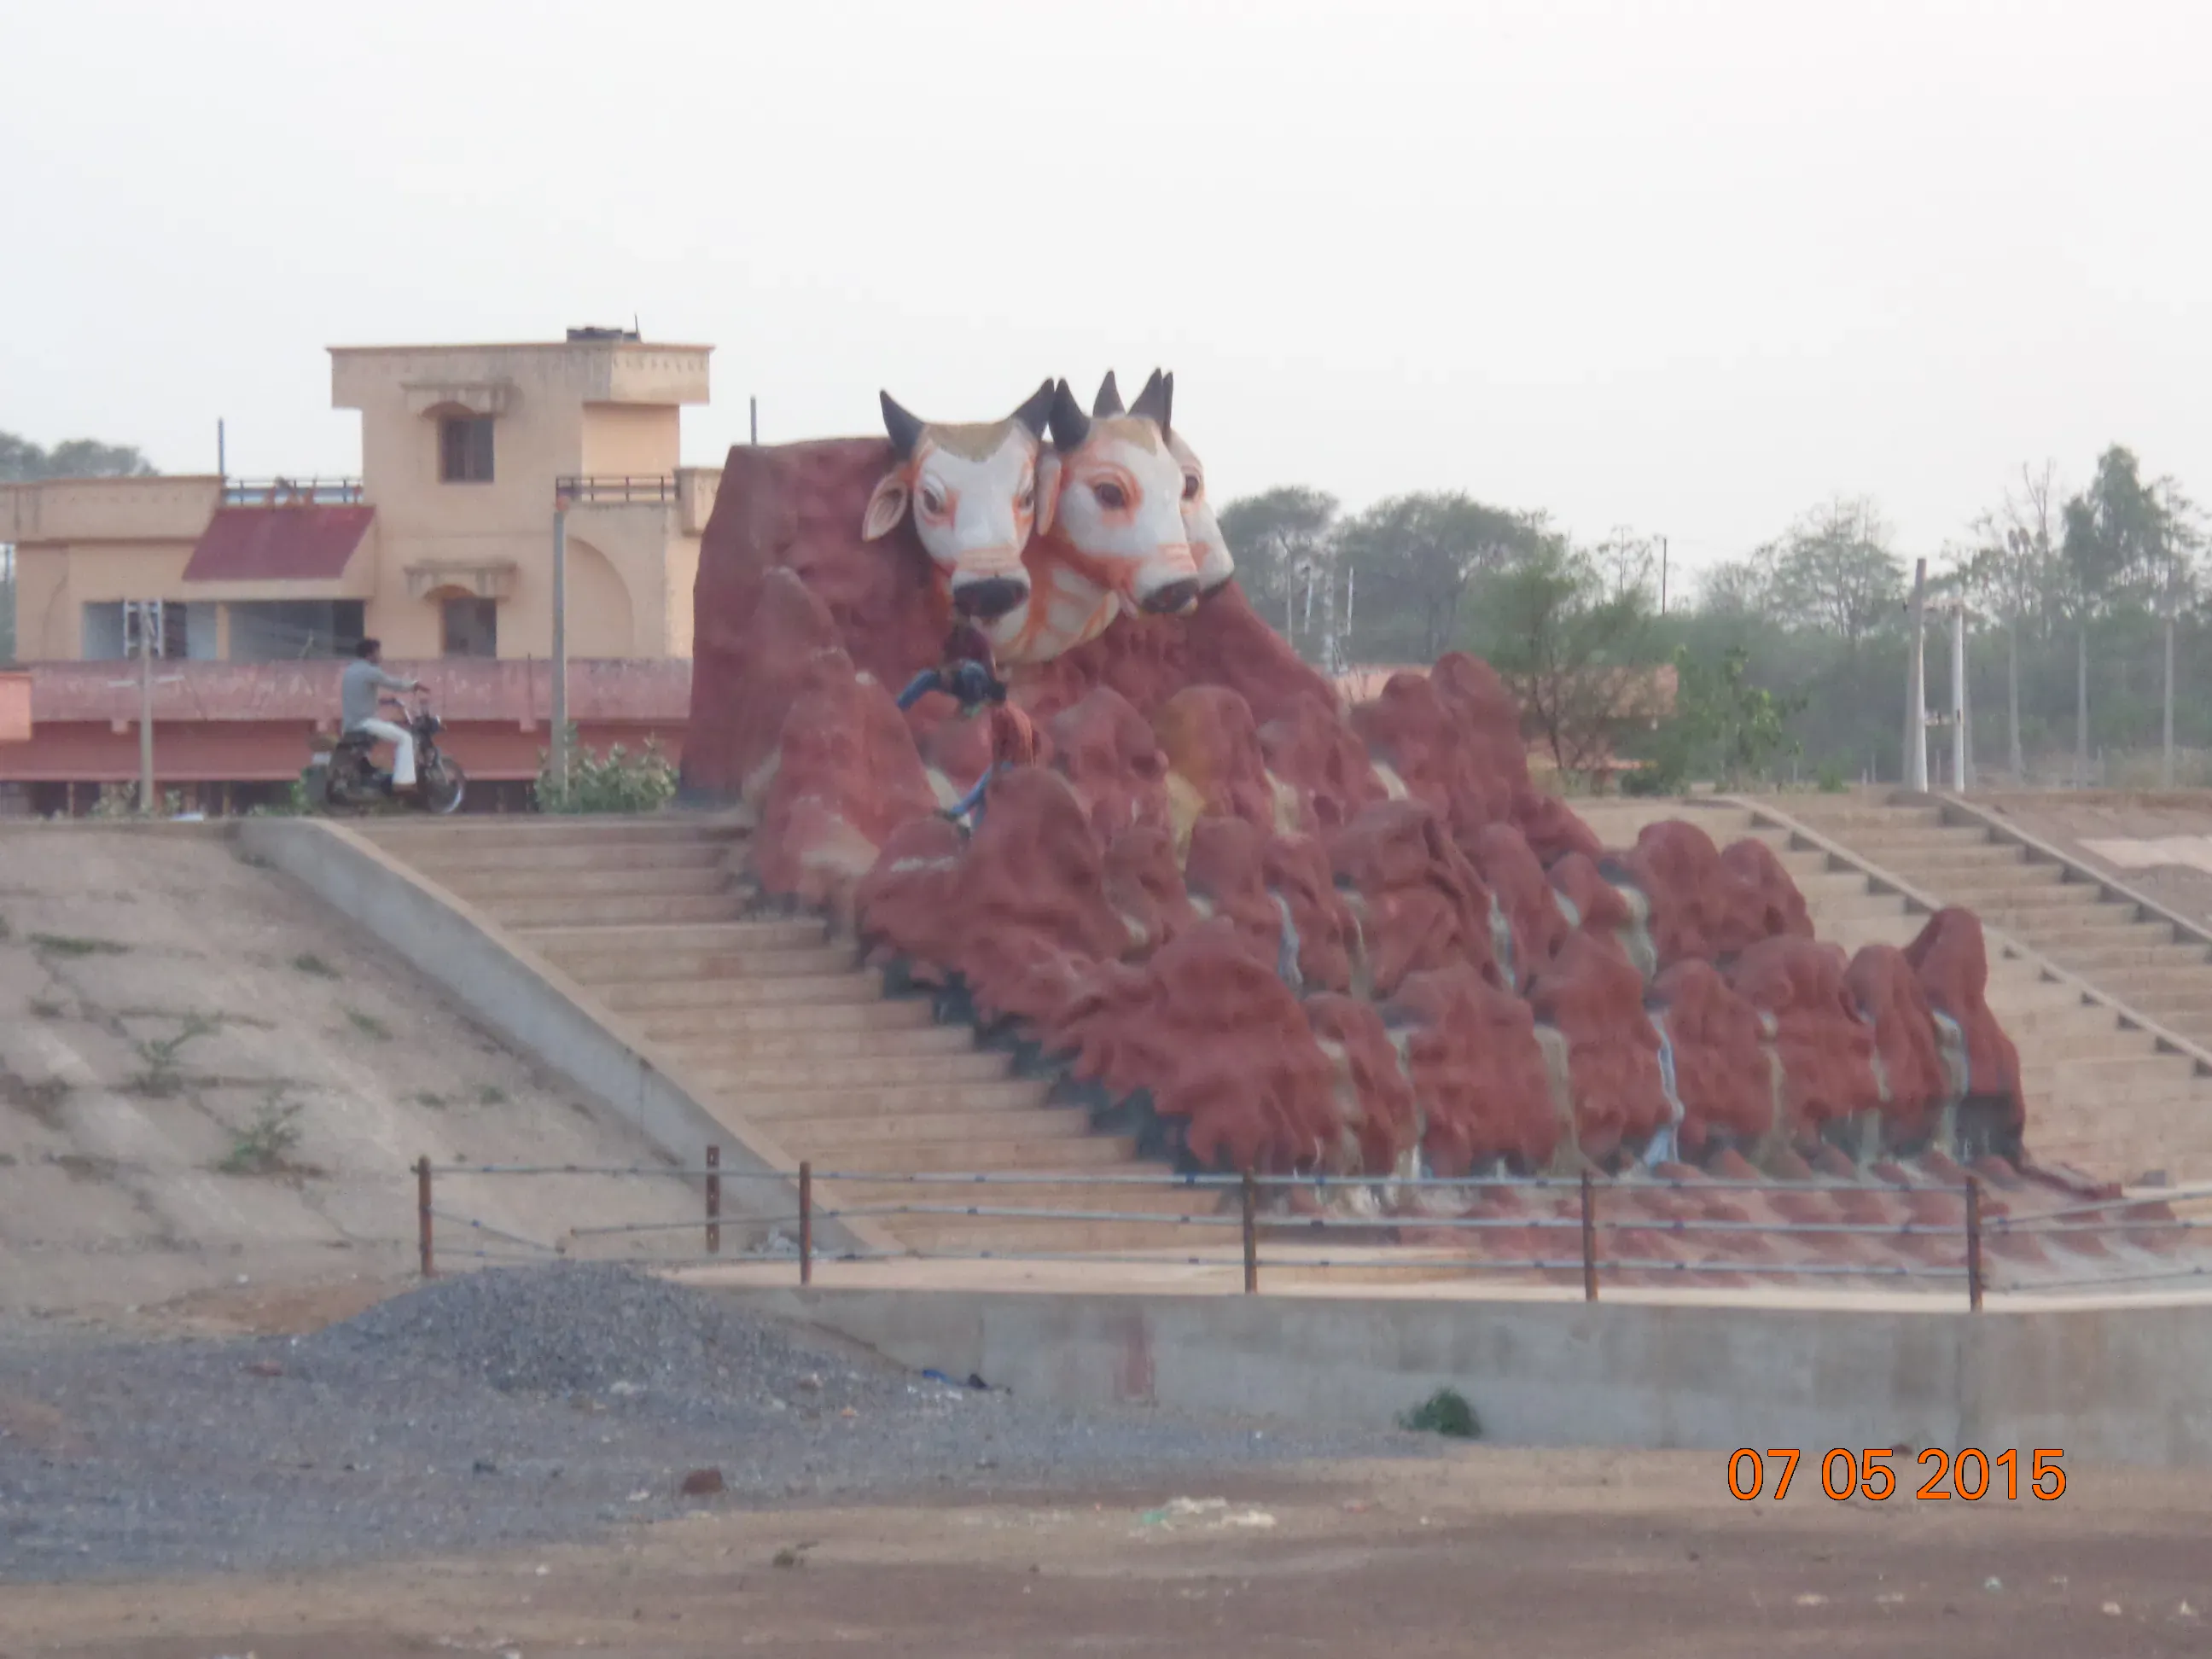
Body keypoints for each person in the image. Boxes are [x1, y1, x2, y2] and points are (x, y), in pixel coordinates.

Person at [342, 638, 422, 794]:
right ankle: (403, 782)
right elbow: (393, 683)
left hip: (349, 724)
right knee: (405, 738)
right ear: (370, 654)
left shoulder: (350, 670)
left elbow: (358, 696)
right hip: (365, 723)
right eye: (378, 652)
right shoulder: (371, 671)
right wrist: (413, 685)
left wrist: (381, 702)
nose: (380, 656)